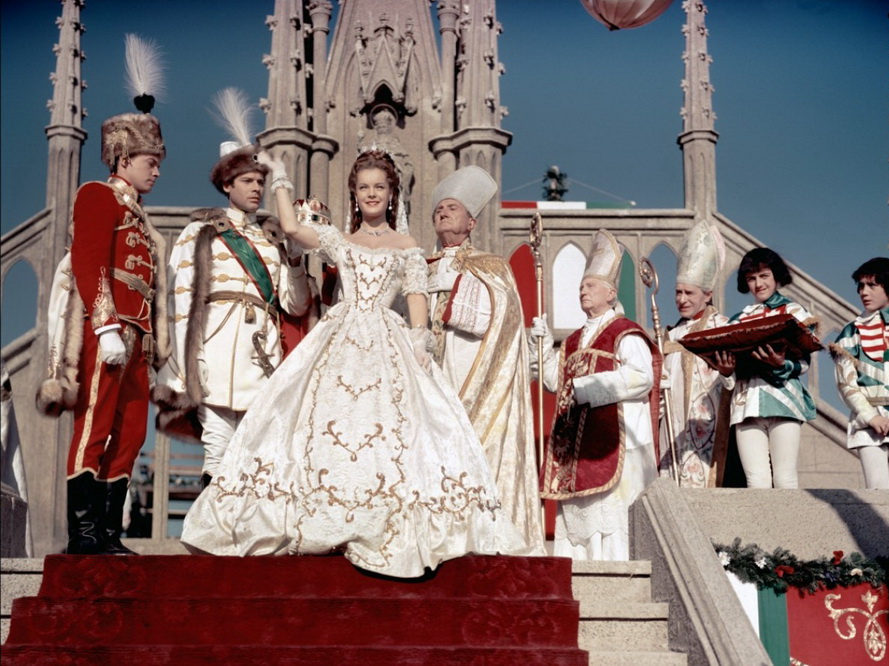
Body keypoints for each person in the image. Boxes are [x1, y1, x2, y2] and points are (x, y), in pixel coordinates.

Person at [180, 150, 528, 578]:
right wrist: (281, 177)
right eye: (364, 187)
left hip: (388, 338)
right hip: (339, 336)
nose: (371, 194)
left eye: (379, 187)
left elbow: (416, 296)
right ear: (355, 194)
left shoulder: (407, 247)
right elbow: (291, 227)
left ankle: (384, 517)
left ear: (392, 193)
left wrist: (420, 339)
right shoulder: (339, 240)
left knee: (392, 429)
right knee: (322, 423)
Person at [36, 39, 169, 555]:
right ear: (124, 157)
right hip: (106, 332)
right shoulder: (97, 194)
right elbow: (89, 260)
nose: (157, 170)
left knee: (132, 432)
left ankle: (110, 532)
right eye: (150, 161)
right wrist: (106, 323)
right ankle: (84, 534)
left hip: (138, 340)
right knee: (94, 422)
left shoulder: (141, 217)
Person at [154, 100, 312, 486]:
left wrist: (294, 259)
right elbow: (179, 301)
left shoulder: (273, 240)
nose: (257, 188)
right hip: (216, 352)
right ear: (227, 185)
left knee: (255, 457)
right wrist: (190, 361)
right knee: (218, 450)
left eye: (260, 182)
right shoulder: (200, 232)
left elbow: (295, 305)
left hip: (262, 357)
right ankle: (210, 523)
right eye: (247, 181)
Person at [427, 165, 544, 554]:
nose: (443, 213)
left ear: (471, 223)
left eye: (453, 208)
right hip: (428, 371)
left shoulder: (491, 266)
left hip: (471, 370)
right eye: (439, 209)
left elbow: (502, 318)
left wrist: (454, 289)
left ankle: (478, 533)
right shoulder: (421, 265)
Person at [530, 229, 661, 561]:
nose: (582, 291)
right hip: (580, 448)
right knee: (581, 523)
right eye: (580, 287)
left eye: (590, 285)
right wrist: (541, 347)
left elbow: (641, 377)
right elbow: (555, 382)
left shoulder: (625, 333)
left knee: (612, 519)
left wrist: (588, 388)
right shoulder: (574, 340)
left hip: (619, 442)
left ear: (611, 293)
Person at [715, 247, 817, 489]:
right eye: (751, 278)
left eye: (764, 276)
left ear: (776, 276)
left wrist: (781, 364)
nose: (758, 284)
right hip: (746, 402)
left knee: (785, 478)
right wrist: (726, 371)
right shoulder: (738, 319)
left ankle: (789, 518)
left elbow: (804, 362)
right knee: (756, 480)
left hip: (783, 400)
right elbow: (728, 373)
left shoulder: (795, 312)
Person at [658, 220, 734, 488]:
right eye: (678, 292)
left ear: (708, 294)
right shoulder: (669, 335)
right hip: (670, 426)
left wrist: (728, 374)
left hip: (706, 424)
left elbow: (734, 377)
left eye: (689, 293)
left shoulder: (723, 327)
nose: (681, 299)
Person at [831, 257, 889, 489]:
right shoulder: (851, 332)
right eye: (861, 286)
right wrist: (871, 417)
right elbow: (845, 383)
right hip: (868, 420)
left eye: (872, 285)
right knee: (877, 490)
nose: (864, 292)